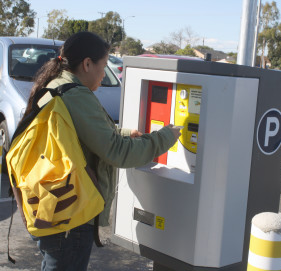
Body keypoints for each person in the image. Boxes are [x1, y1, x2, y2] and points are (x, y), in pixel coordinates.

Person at [23, 31, 181, 271]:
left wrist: (125, 133)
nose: (104, 73)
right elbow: (117, 153)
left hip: (49, 205)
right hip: (71, 215)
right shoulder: (75, 94)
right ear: (87, 64)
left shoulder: (54, 85)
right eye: (104, 65)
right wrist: (164, 138)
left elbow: (79, 135)